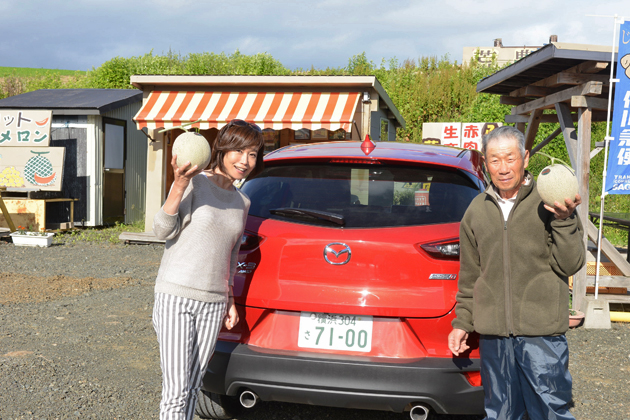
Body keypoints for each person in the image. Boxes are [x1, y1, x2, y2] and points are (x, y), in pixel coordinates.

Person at [447, 126, 585, 420]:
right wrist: (462, 322)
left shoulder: (550, 202)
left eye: (510, 158)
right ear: (485, 162)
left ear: (525, 157)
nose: (503, 168)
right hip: (494, 336)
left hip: (542, 334)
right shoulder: (476, 211)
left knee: (551, 411)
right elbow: (470, 275)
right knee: (500, 412)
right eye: (495, 160)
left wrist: (564, 221)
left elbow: (571, 264)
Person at [152, 119, 264, 420]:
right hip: (177, 296)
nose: (245, 161)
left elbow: (232, 253)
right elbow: (161, 231)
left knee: (192, 387)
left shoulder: (242, 201)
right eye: (239, 151)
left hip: (213, 304)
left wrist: (228, 300)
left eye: (253, 154)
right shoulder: (195, 182)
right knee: (176, 392)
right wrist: (178, 184)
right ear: (222, 149)